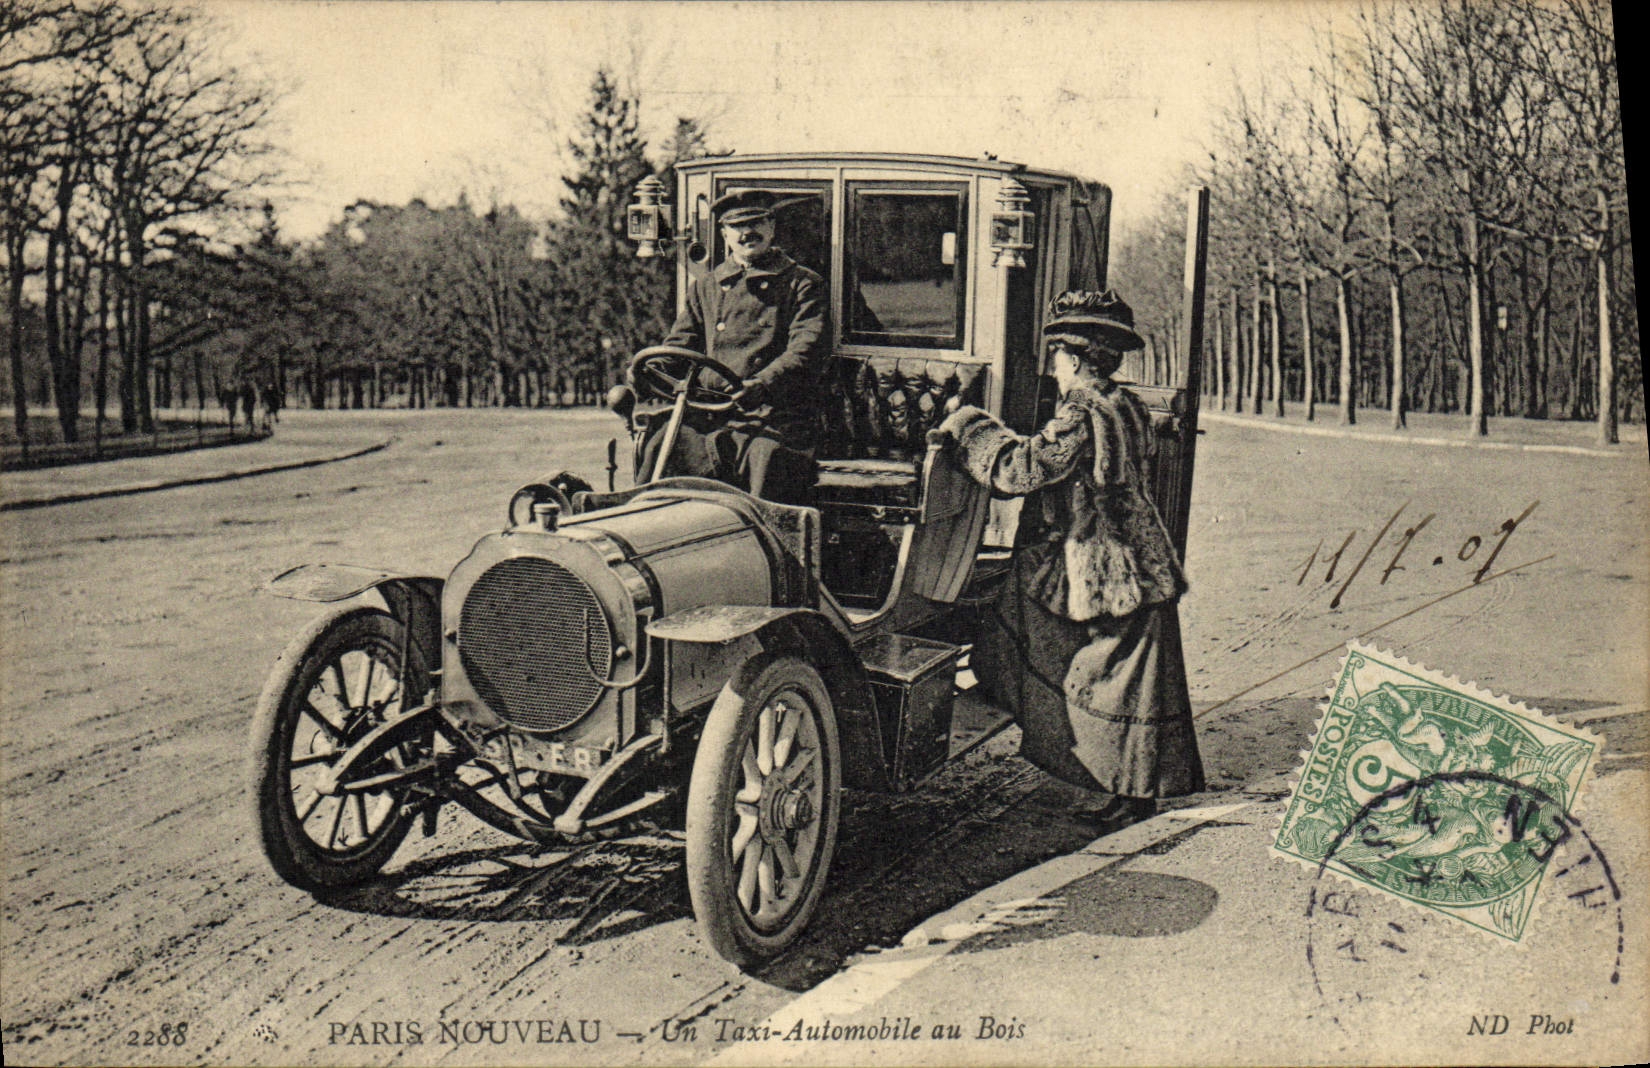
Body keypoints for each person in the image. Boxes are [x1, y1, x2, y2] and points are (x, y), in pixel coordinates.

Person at [940, 289, 1204, 832]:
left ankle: (1127, 794)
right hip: (1139, 553)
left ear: (1077, 359)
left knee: (1114, 674)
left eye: (1057, 357)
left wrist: (970, 428)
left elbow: (1025, 471)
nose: (1053, 368)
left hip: (1108, 562)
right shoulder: (1126, 404)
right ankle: (1125, 787)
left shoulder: (1081, 412)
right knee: (1123, 668)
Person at [636, 189, 828, 504]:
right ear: (724, 234)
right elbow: (678, 346)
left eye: (755, 223)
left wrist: (762, 384)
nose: (746, 233)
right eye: (737, 226)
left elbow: (804, 350)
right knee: (661, 446)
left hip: (773, 415)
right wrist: (646, 372)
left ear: (771, 228)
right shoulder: (706, 288)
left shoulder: (801, 284)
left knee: (768, 461)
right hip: (708, 414)